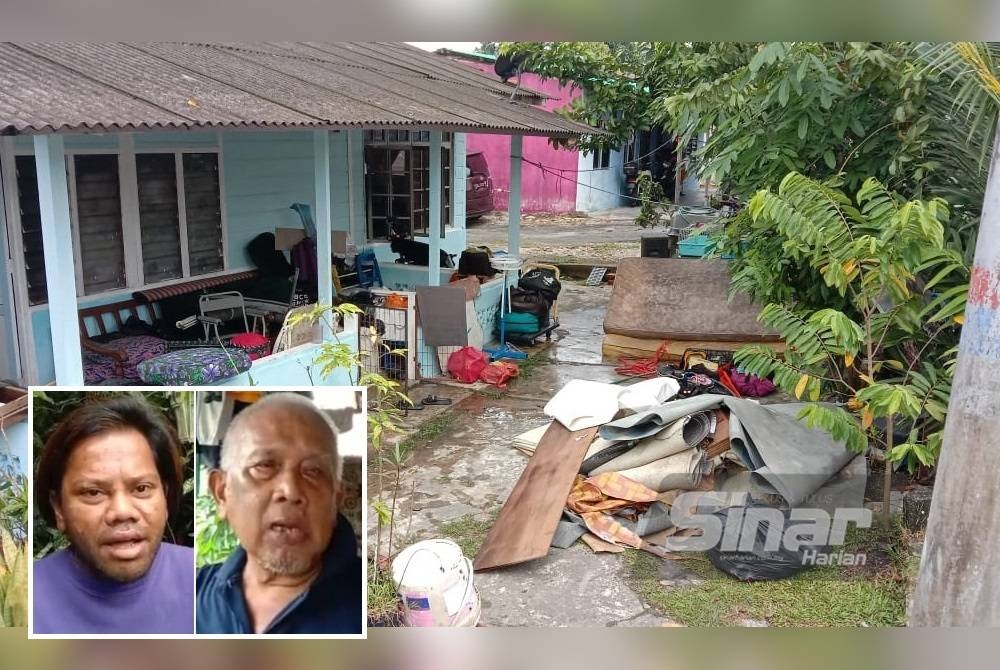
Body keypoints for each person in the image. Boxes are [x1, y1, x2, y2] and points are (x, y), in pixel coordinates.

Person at [196, 393, 362, 634]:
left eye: (313, 471)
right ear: (222, 492)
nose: (291, 490)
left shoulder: (371, 604)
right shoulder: (190, 597)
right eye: (264, 466)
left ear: (335, 500)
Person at [33, 395, 194, 634]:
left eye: (141, 489)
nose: (122, 512)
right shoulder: (22, 603)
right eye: (93, 492)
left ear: (165, 497)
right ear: (59, 508)